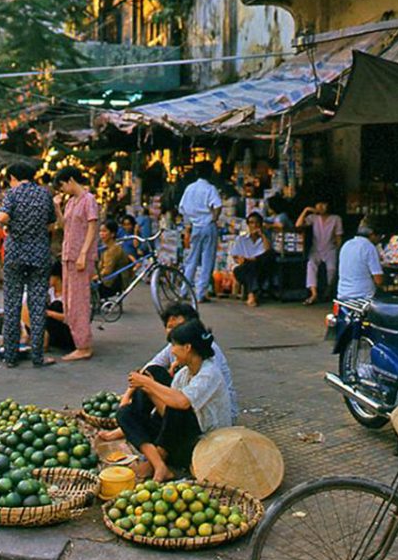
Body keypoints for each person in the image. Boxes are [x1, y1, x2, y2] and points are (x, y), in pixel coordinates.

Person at [111, 319, 234, 482]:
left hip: (202, 443)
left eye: (174, 346)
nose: (172, 351)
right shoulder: (184, 374)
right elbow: (168, 415)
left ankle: (155, 462)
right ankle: (159, 464)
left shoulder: (210, 373)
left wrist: (149, 384)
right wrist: (149, 389)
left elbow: (181, 404)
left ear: (187, 348)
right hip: (177, 435)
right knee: (125, 414)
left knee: (177, 403)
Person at [100, 303, 238, 444]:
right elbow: (149, 370)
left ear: (188, 345)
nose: (173, 332)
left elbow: (182, 402)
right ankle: (139, 433)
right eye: (170, 327)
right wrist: (131, 394)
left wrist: (150, 385)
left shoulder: (208, 365)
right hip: (190, 410)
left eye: (179, 327)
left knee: (160, 393)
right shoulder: (182, 364)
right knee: (149, 383)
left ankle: (151, 444)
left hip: (208, 421)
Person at [0, 161, 56, 368]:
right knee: (38, 305)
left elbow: (2, 216)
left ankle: (10, 356)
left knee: (12, 304)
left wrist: (9, 225)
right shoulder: (44, 194)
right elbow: (51, 222)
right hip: (40, 254)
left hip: (15, 255)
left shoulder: (12, 194)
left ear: (13, 177)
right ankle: (38, 356)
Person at [54, 166, 99, 362]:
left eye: (63, 185)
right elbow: (64, 225)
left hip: (80, 256)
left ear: (71, 180)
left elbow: (92, 227)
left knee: (79, 301)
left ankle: (84, 345)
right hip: (68, 255)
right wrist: (57, 207)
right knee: (70, 301)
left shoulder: (89, 200)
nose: (62, 189)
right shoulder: (71, 202)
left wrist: (83, 254)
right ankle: (78, 340)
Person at [178, 161, 222, 303]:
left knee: (192, 259)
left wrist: (189, 223)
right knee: (207, 259)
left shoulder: (189, 188)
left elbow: (182, 208)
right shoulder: (210, 188)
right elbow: (218, 206)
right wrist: (214, 218)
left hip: (195, 226)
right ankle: (200, 293)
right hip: (208, 225)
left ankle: (184, 290)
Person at [296, 198, 343, 305]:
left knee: (331, 269)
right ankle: (314, 294)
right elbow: (298, 225)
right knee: (311, 266)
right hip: (316, 249)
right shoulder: (313, 218)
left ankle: (328, 291)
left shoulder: (336, 218)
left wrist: (338, 251)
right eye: (318, 204)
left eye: (324, 204)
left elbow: (338, 237)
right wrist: (306, 210)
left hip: (330, 248)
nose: (321, 207)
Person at [22, 260, 74, 352]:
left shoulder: (69, 294)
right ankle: (38, 336)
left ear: (57, 277)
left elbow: (72, 318)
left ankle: (43, 337)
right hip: (50, 332)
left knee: (56, 305)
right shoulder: (49, 292)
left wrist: (48, 313)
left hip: (66, 334)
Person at [231, 212, 275, 307]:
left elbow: (268, 251)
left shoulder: (264, 240)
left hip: (259, 268)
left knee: (265, 257)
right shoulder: (241, 239)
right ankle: (253, 294)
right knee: (250, 265)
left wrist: (262, 235)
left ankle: (251, 295)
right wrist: (246, 260)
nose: (254, 225)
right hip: (243, 268)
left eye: (257, 223)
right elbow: (236, 257)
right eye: (251, 223)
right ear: (248, 225)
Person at [337, 219, 384, 300]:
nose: (379, 240)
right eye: (379, 237)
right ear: (373, 235)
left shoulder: (346, 244)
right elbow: (379, 280)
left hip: (342, 293)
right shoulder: (369, 247)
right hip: (364, 295)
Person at [98, 219, 133, 298]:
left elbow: (107, 271)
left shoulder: (114, 249)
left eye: (104, 231)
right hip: (108, 281)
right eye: (100, 231)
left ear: (112, 234)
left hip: (113, 284)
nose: (101, 234)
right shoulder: (106, 248)